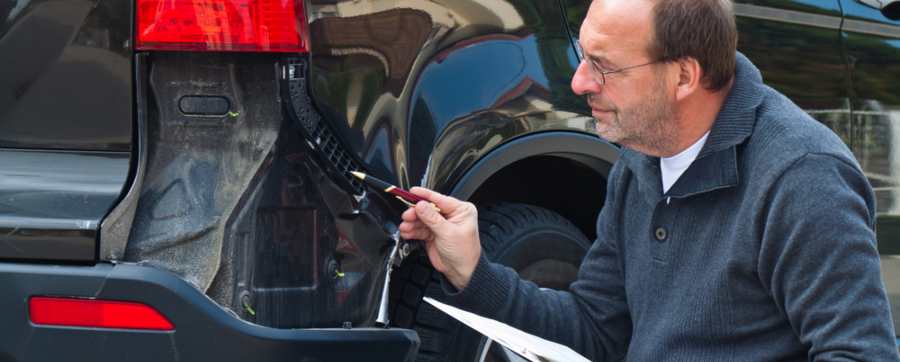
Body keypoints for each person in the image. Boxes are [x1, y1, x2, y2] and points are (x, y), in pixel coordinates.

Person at [398, 0, 900, 360]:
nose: (579, 83)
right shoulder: (643, 158)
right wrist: (474, 271)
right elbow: (596, 330)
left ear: (684, 76)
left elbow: (861, 353)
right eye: (582, 56)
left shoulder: (802, 176)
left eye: (604, 66)